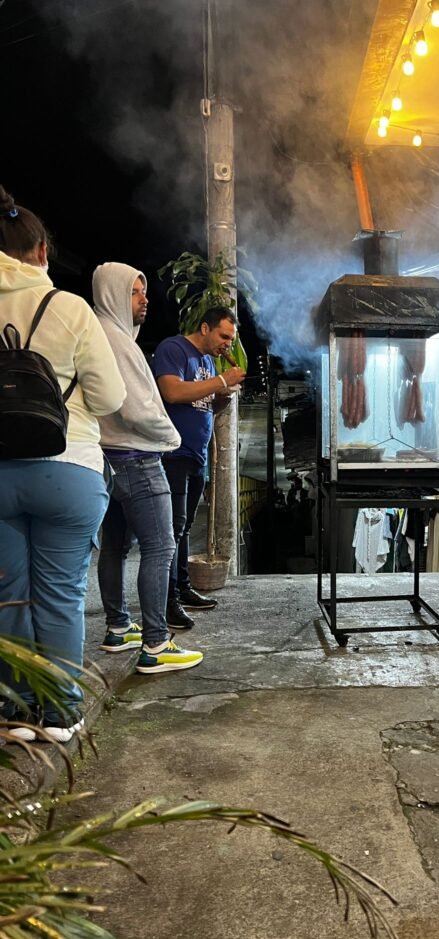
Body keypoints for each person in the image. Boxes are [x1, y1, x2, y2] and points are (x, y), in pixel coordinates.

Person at [0, 185, 126, 740]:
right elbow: (111, 398)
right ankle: (59, 712)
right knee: (60, 594)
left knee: (8, 593)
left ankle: (15, 711)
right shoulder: (69, 308)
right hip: (69, 466)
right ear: (41, 251)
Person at [93, 263, 203, 674]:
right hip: (137, 458)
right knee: (160, 546)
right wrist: (171, 438)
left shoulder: (100, 334)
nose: (145, 300)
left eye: (143, 291)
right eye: (134, 292)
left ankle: (118, 627)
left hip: (108, 459)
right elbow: (137, 409)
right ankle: (156, 644)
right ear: (112, 294)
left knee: (115, 547)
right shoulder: (116, 341)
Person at [153, 308, 246, 628]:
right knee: (171, 530)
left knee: (185, 526)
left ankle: (182, 588)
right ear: (205, 327)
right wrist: (220, 381)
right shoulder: (174, 349)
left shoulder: (208, 361)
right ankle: (167, 603)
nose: (227, 344)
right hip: (173, 454)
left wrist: (224, 396)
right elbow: (173, 392)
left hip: (196, 456)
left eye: (231, 339)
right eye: (223, 336)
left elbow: (204, 404)